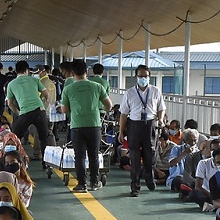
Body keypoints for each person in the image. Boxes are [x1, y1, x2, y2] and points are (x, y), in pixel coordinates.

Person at [59, 59, 112, 192]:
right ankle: (94, 182)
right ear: (87, 71)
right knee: (93, 155)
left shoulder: (68, 88)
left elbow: (64, 110)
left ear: (72, 72)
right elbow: (109, 105)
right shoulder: (97, 86)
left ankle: (81, 184)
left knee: (79, 156)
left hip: (77, 125)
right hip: (94, 124)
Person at [119, 65, 166, 196]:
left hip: (150, 125)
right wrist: (121, 131)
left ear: (149, 77)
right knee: (134, 158)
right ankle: (135, 187)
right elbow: (123, 113)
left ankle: (149, 176)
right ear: (136, 77)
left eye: (145, 76)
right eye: (140, 76)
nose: (143, 78)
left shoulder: (156, 91)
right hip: (134, 125)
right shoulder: (129, 93)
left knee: (150, 156)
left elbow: (161, 108)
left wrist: (161, 119)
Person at [7, 60, 54, 158]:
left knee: (15, 137)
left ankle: (14, 159)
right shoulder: (35, 80)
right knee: (43, 138)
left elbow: (10, 104)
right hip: (39, 111)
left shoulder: (11, 84)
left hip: (25, 112)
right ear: (27, 70)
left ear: (16, 71)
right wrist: (45, 101)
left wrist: (18, 113)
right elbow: (47, 94)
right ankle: (45, 162)